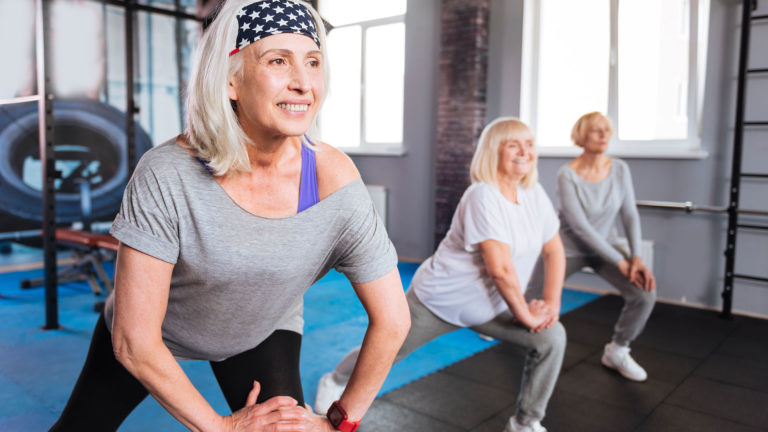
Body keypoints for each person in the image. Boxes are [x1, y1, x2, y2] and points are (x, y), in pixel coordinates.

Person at [49, 1, 410, 431]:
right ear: (231, 81)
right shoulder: (167, 173)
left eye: (313, 62)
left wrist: (337, 423)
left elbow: (393, 320)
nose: (303, 83)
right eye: (278, 60)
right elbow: (134, 340)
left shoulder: (334, 181)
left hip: (260, 329)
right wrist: (221, 427)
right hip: (156, 336)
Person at [315, 117, 567, 432]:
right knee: (385, 354)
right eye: (513, 144)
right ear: (493, 151)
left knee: (552, 338)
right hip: (439, 301)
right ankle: (335, 379)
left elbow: (554, 250)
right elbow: (500, 269)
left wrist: (551, 305)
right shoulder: (482, 195)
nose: (524, 152)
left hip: (492, 307)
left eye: (529, 144)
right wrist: (527, 316)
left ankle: (525, 422)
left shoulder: (534, 194)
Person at [531, 111, 656, 382]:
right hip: (567, 249)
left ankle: (618, 351)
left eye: (607, 130)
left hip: (606, 250)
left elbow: (629, 214)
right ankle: (499, 325)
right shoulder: (567, 174)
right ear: (582, 136)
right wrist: (621, 262)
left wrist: (636, 258)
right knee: (530, 296)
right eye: (597, 130)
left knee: (644, 293)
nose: (604, 135)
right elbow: (580, 228)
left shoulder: (620, 169)